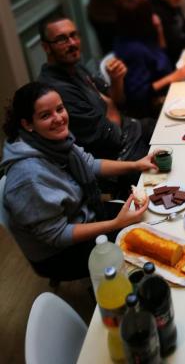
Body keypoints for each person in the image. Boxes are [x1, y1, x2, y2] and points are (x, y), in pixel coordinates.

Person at [1, 82, 157, 281]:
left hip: (84, 213)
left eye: (59, 109)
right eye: (45, 115)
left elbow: (90, 164)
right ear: (27, 124)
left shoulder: (55, 142)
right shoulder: (28, 177)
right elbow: (57, 235)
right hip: (60, 254)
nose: (58, 118)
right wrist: (115, 223)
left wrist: (136, 164)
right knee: (142, 248)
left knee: (149, 219)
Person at [38, 16, 154, 166]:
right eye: (62, 39)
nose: (72, 43)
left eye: (73, 35)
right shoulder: (56, 90)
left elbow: (119, 101)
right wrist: (111, 105)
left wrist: (117, 80)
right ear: (46, 47)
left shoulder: (75, 67)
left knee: (179, 134)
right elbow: (111, 138)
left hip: (131, 130)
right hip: (121, 157)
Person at [114, 0, 185, 118]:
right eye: (150, 13)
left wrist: (159, 29)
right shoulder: (134, 50)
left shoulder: (137, 34)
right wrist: (173, 76)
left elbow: (162, 54)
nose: (155, 15)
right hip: (152, 106)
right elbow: (138, 94)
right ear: (141, 19)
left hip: (166, 86)